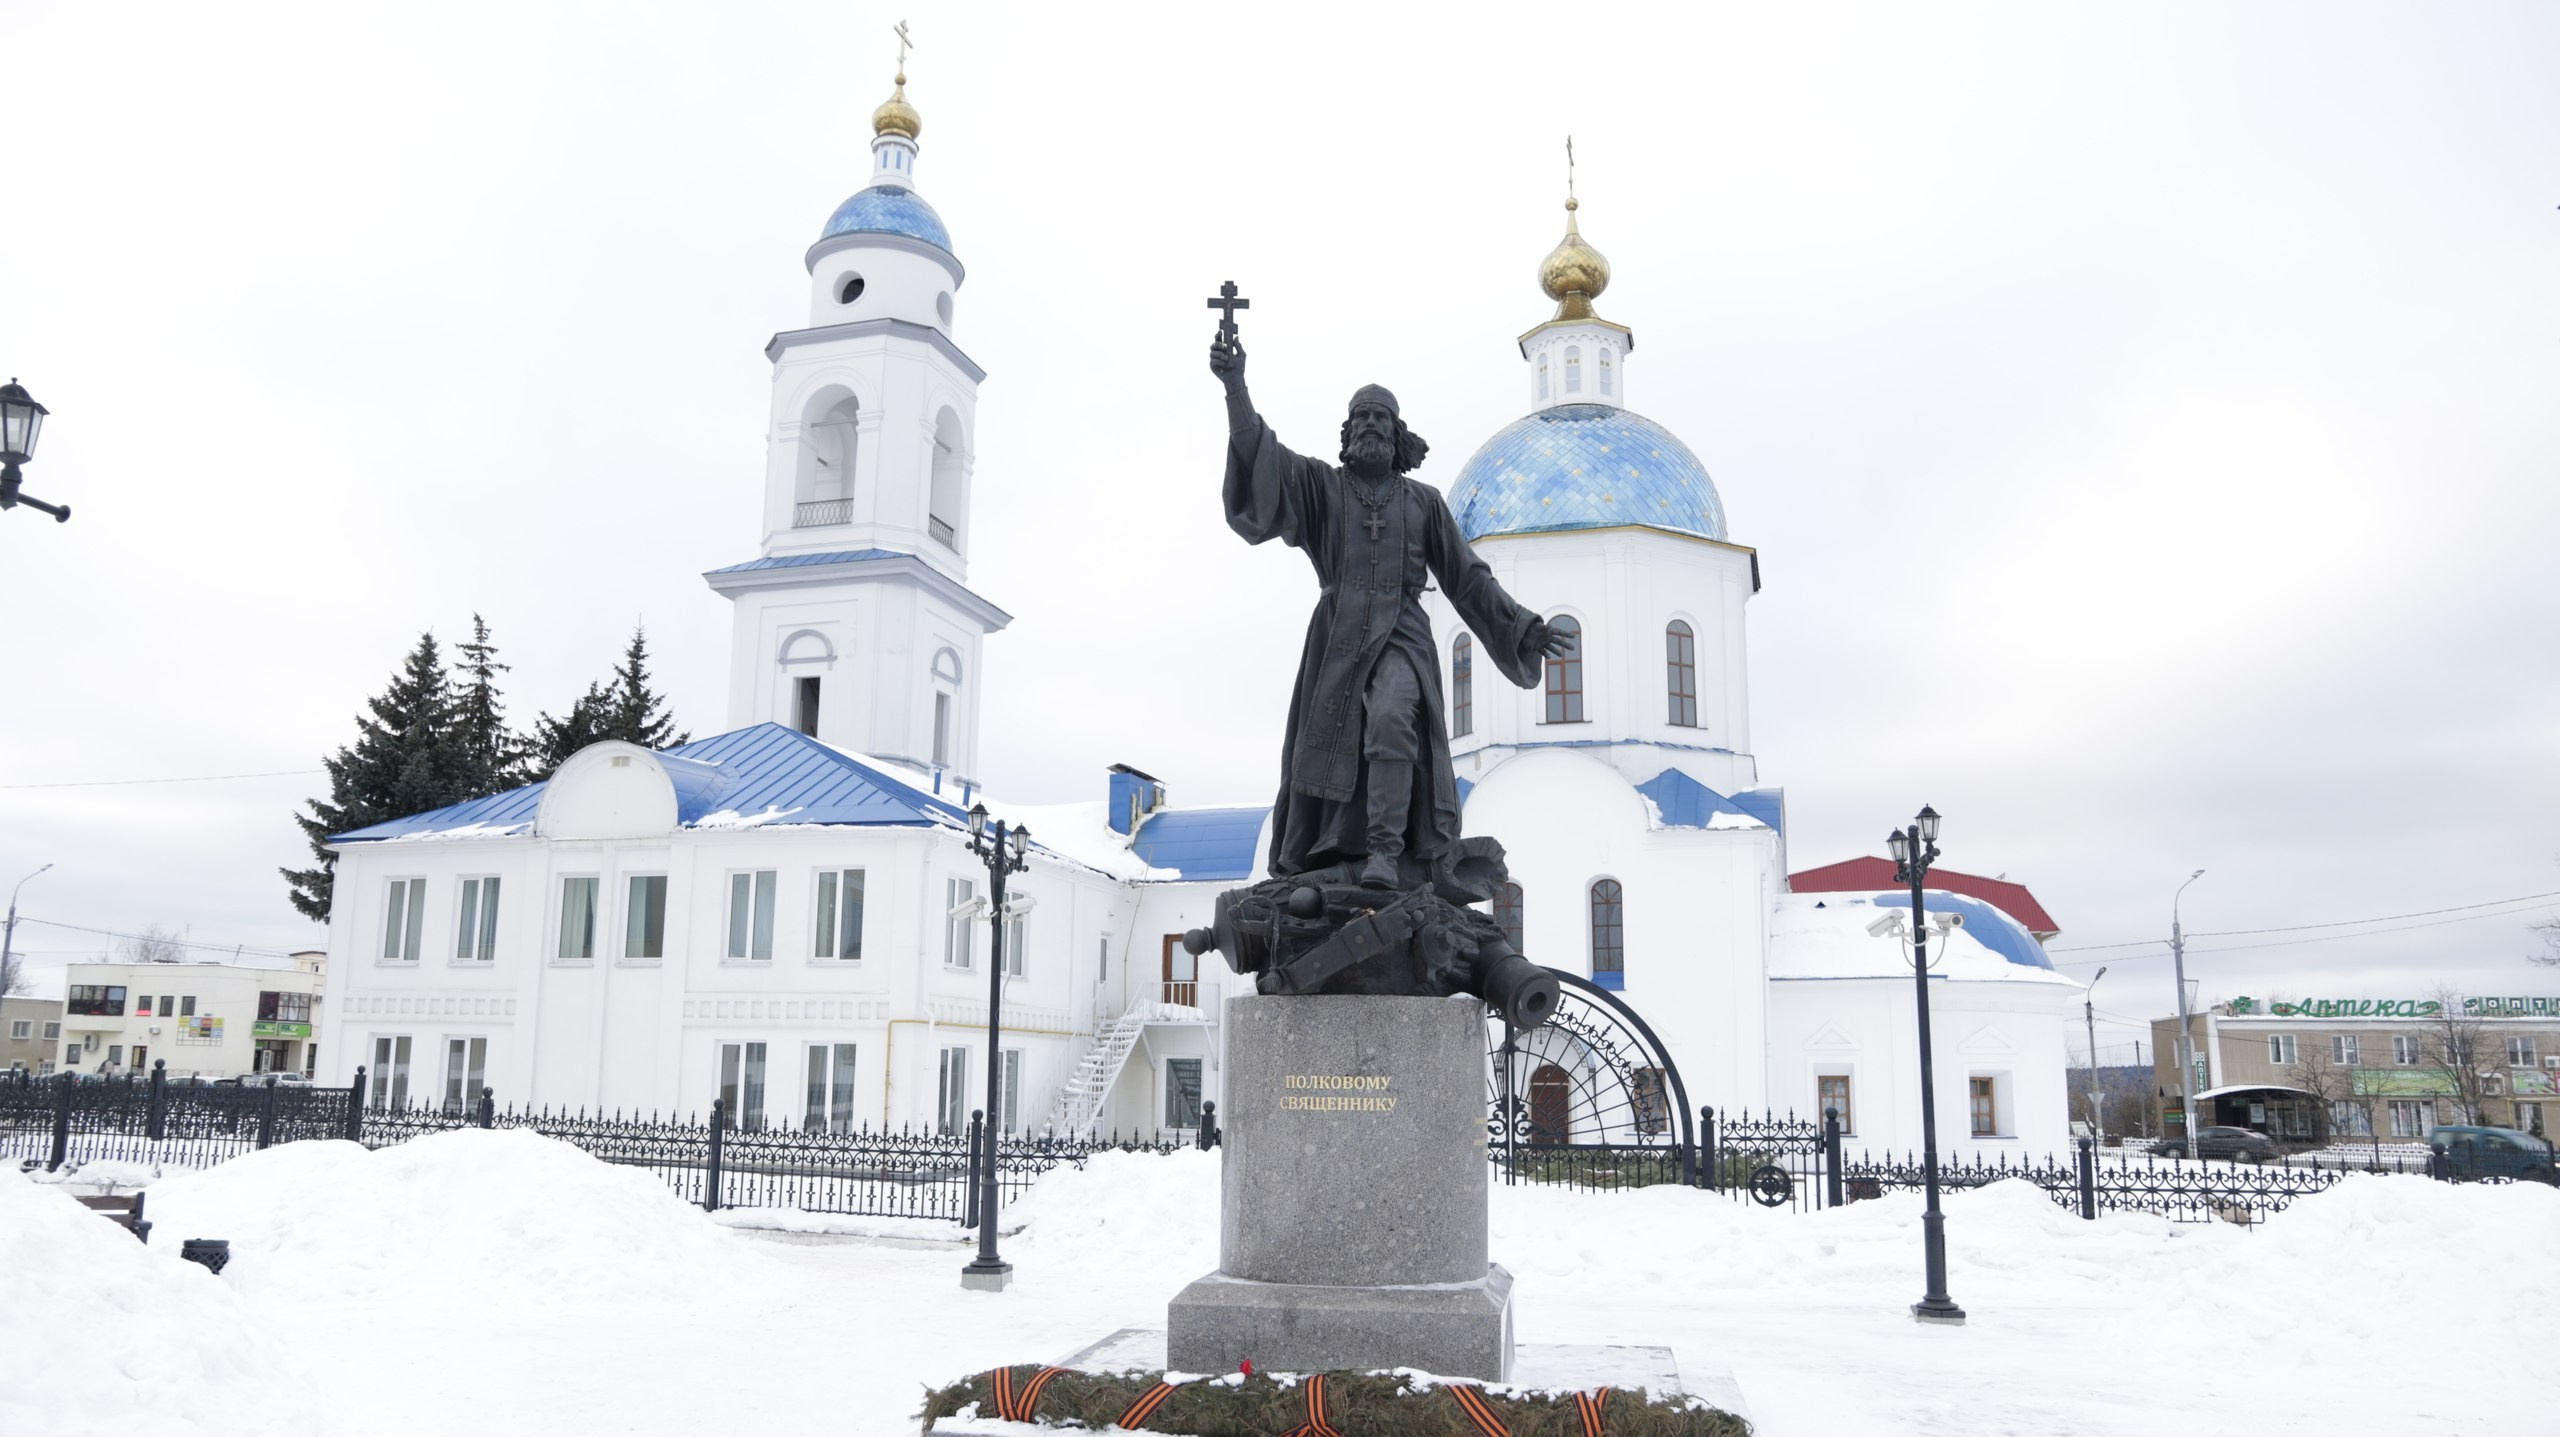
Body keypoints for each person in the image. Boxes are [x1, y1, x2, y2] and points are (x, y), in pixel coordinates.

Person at [1212, 329, 1568, 887]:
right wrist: (1236, 386)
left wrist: (1521, 627)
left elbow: (1467, 579)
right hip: (1339, 637)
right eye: (1362, 417)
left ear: (1397, 434)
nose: (1371, 425)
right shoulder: (1321, 487)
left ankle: (1385, 851)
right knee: (1334, 742)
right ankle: (1329, 855)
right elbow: (1262, 458)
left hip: (1402, 632)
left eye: (1381, 418)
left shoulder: (1423, 503)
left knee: (1393, 717)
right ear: (1348, 432)